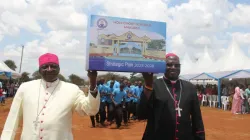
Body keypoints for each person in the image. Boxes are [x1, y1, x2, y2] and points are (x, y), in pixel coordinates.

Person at [1, 53, 100, 140]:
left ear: (59, 69)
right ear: (39, 70)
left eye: (53, 66)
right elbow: (12, 120)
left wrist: (92, 84)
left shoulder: (72, 89)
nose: (49, 69)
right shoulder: (25, 88)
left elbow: (90, 110)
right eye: (45, 66)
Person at [137, 53, 205, 140]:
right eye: (169, 65)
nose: (173, 67)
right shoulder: (154, 85)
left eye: (177, 65)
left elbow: (197, 119)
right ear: (163, 66)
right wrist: (148, 85)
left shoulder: (190, 87)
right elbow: (141, 114)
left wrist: (200, 137)